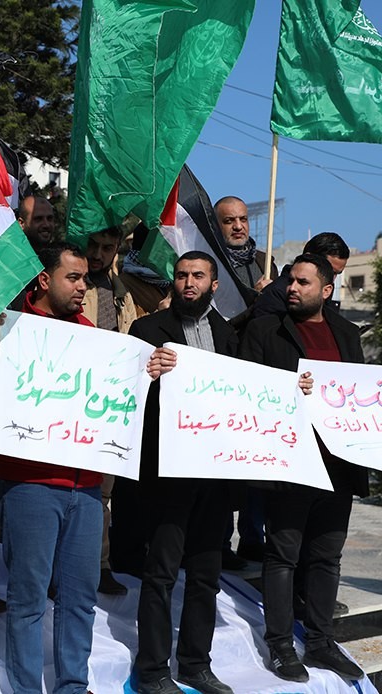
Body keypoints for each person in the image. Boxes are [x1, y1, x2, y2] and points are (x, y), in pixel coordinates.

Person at [240, 254, 382, 682]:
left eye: (302, 282)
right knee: (282, 557)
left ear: (326, 290)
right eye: (289, 281)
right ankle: (281, 645)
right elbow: (245, 386)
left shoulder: (347, 333)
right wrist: (285, 387)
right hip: (292, 463)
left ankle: (320, 643)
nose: (292, 288)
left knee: (326, 558)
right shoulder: (264, 329)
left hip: (338, 465)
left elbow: (369, 394)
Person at [0, 242, 102, 694]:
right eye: (73, 278)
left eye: (86, 278)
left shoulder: (92, 334)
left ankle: (73, 685)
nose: (83, 287)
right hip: (29, 484)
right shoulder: (11, 333)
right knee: (29, 597)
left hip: (86, 487)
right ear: (45, 280)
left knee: (80, 597)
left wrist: (144, 370)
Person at [127, 251, 240, 694]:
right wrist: (149, 373)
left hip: (216, 476)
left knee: (206, 577)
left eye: (198, 276)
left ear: (214, 285)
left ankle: (196, 664)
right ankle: (153, 670)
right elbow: (129, 394)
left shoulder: (229, 335)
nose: (188, 282)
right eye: (181, 275)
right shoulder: (147, 331)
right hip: (169, 475)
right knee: (160, 574)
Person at [81, 226, 145, 596]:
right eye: (93, 244)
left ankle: (100, 565)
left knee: (102, 494)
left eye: (107, 247)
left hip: (108, 404)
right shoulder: (73, 285)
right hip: (71, 400)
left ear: (117, 249)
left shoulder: (123, 294)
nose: (98, 254)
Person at [249, 232, 350, 323]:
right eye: (329, 271)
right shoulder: (275, 295)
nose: (332, 279)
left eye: (337, 274)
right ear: (308, 257)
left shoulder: (325, 291)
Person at [214, 196, 277, 294]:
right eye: (229, 221)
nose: (238, 226)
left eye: (243, 219)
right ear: (215, 225)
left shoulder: (265, 262)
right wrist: (254, 296)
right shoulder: (208, 263)